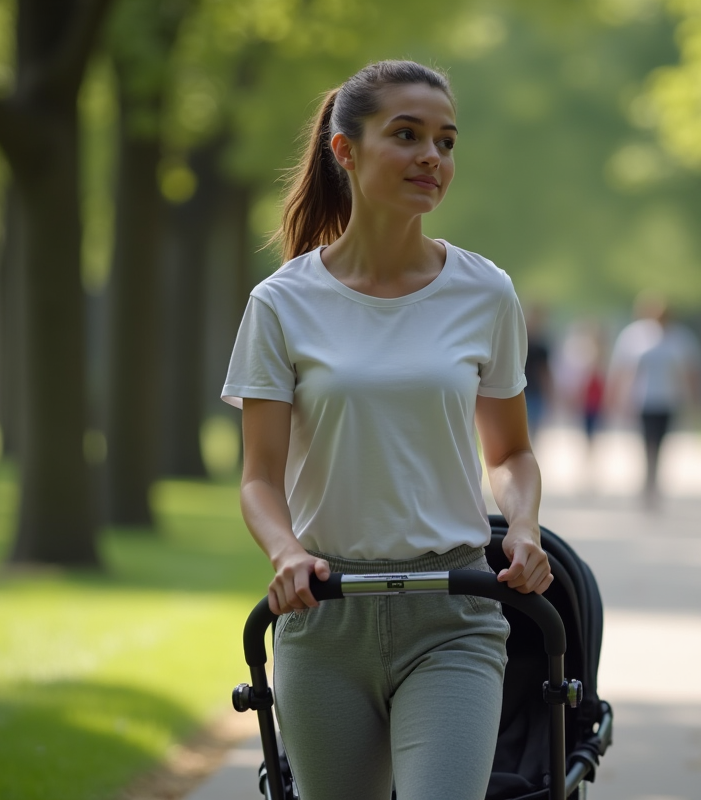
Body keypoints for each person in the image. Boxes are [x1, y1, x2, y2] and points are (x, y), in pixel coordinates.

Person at [221, 61, 551, 800]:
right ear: (346, 150)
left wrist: (523, 526)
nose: (432, 157)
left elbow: (513, 452)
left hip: (454, 612)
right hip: (326, 617)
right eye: (407, 136)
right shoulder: (280, 305)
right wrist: (284, 552)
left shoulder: (485, 292)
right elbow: (259, 479)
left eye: (446, 141)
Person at [607, 291, 701, 504]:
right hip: (642, 400)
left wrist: (696, 402)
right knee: (645, 442)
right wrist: (615, 398)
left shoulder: (680, 337)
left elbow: (691, 372)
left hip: (668, 400)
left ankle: (655, 483)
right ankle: (647, 483)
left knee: (661, 442)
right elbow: (621, 370)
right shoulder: (634, 336)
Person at [523, 305, 554, 442]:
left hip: (535, 390)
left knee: (533, 425)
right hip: (521, 389)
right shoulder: (520, 340)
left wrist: (549, 392)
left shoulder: (541, 345)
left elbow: (544, 371)